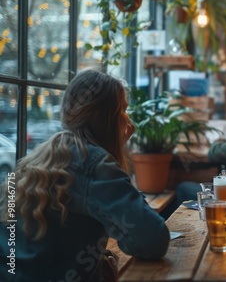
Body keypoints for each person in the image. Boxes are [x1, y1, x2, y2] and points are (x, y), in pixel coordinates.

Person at [0, 69, 170, 281]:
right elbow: (152, 239)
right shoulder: (91, 162)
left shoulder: (40, 156)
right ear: (107, 119)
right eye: (123, 111)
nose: (130, 124)